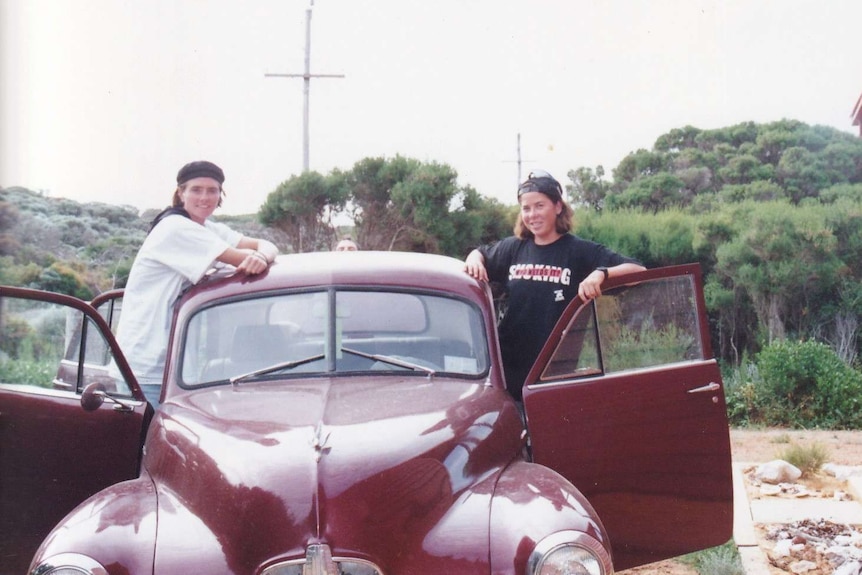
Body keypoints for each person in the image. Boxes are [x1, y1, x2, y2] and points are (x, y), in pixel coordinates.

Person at [464, 169, 645, 402]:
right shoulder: (514, 248)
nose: (532, 215)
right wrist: (474, 259)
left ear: (558, 207)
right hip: (506, 372)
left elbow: (638, 271)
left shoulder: (579, 251)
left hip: (553, 374)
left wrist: (601, 274)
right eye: (526, 208)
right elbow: (479, 254)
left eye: (540, 205)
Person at [115, 160, 280, 406]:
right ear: (181, 193)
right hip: (146, 365)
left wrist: (262, 256)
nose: (205, 197)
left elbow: (267, 246)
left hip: (174, 365)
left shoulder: (207, 229)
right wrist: (255, 257)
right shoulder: (174, 227)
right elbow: (240, 258)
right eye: (196, 189)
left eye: (212, 190)